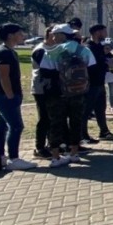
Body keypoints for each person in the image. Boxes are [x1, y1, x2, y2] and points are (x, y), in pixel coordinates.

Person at [40, 23, 97, 167]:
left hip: (57, 93)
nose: (53, 37)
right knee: (76, 122)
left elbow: (45, 72)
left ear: (61, 35)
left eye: (55, 34)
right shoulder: (84, 50)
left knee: (56, 123)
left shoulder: (52, 51)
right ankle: (74, 153)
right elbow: (92, 69)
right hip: (78, 92)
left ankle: (55, 156)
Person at [0, 23, 37, 170]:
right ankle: (13, 159)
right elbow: (4, 77)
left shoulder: (10, 52)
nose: (22, 35)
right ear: (10, 35)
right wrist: (10, 95)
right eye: (19, 33)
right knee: (16, 126)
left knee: (2, 125)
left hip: (8, 96)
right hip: (4, 96)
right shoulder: (3, 53)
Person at [82, 24, 113, 143]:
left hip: (100, 82)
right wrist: (106, 63)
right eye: (104, 31)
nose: (106, 33)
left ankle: (104, 131)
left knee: (100, 109)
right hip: (91, 84)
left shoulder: (99, 46)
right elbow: (92, 65)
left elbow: (106, 58)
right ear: (97, 32)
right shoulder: (89, 47)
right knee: (86, 111)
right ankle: (83, 135)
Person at [30, 27, 55, 159]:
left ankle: (51, 144)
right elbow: (46, 70)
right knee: (44, 118)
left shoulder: (54, 49)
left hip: (51, 88)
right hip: (41, 88)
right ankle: (39, 147)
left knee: (51, 117)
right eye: (55, 34)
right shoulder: (40, 50)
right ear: (49, 34)